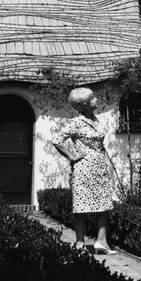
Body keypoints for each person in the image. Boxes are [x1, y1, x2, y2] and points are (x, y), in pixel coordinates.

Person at [52, 86, 117, 255]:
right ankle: (80, 243)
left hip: (99, 166)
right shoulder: (76, 123)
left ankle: (101, 242)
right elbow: (57, 140)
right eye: (93, 98)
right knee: (81, 207)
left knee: (104, 204)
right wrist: (71, 156)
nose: (97, 99)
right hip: (83, 167)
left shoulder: (96, 120)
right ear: (86, 104)